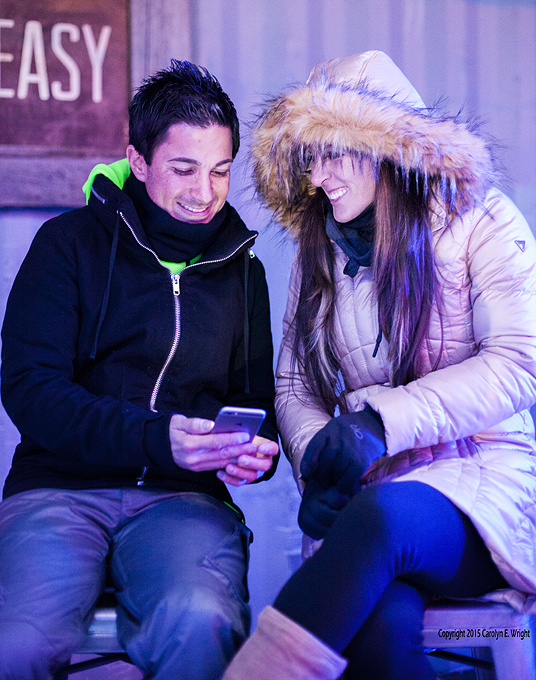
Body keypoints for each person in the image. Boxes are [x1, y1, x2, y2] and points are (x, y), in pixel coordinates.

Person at [222, 51, 536, 680]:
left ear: (385, 147)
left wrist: (377, 423)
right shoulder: (323, 248)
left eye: (332, 153)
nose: (317, 177)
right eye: (308, 158)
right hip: (372, 503)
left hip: (483, 486)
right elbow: (295, 385)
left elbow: (517, 362)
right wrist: (321, 465)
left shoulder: (482, 220)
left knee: (382, 518)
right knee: (378, 624)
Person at [0, 60, 279, 680]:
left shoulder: (242, 271)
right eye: (183, 169)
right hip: (56, 491)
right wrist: (155, 436)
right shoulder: (66, 245)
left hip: (181, 502)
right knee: (14, 642)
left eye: (220, 170)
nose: (204, 192)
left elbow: (254, 399)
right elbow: (30, 389)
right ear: (139, 159)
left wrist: (256, 452)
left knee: (199, 620)